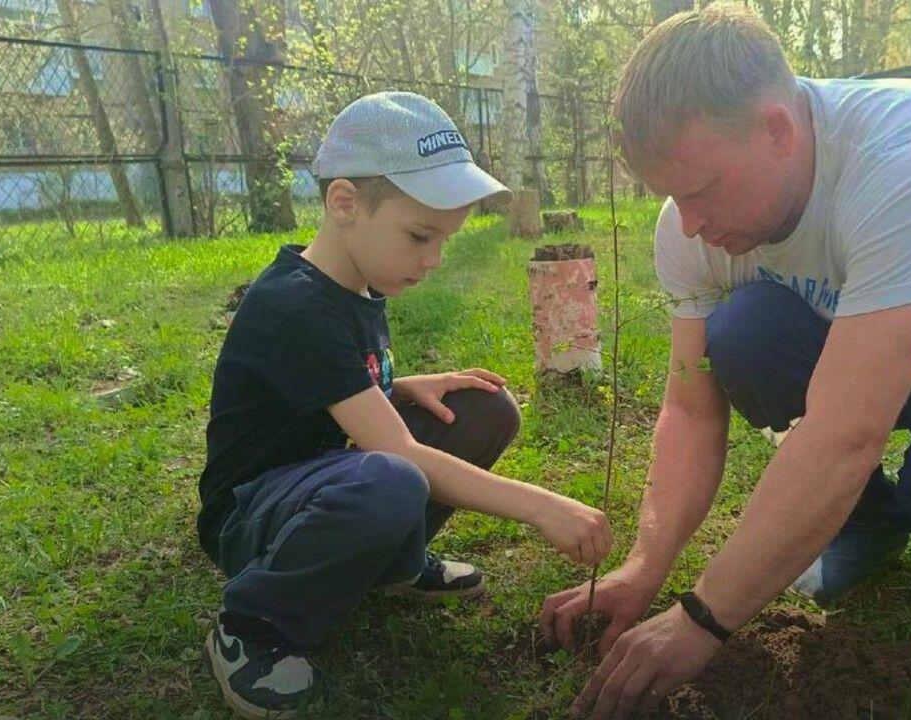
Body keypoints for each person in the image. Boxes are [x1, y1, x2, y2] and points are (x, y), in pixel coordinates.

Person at [540, 6, 911, 719]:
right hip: (848, 335)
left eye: (702, 191)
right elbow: (690, 407)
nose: (690, 223)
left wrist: (701, 620)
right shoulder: (692, 223)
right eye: (671, 197)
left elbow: (843, 434)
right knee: (735, 337)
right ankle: (864, 519)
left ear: (777, 129)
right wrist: (646, 566)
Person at [196, 91, 613, 720]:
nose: (433, 260)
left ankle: (391, 562)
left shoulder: (351, 281)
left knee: (485, 408)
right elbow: (392, 450)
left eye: (443, 240)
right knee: (392, 477)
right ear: (345, 203)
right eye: (420, 236)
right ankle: (254, 623)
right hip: (251, 516)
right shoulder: (295, 305)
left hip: (321, 477)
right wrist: (543, 507)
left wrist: (398, 387)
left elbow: (322, 392)